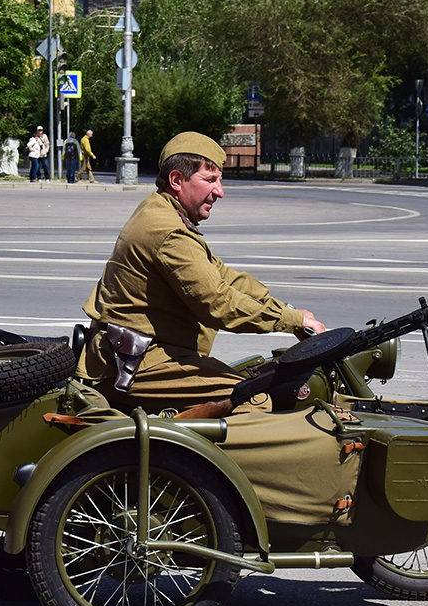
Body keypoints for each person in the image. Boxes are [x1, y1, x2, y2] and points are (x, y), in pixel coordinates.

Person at [77, 131, 326, 414]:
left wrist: (291, 313)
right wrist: (290, 321)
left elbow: (224, 276)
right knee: (256, 403)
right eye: (210, 180)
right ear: (176, 180)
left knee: (257, 385)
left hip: (142, 357)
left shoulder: (163, 210)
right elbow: (217, 303)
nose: (220, 191)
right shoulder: (168, 231)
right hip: (138, 366)